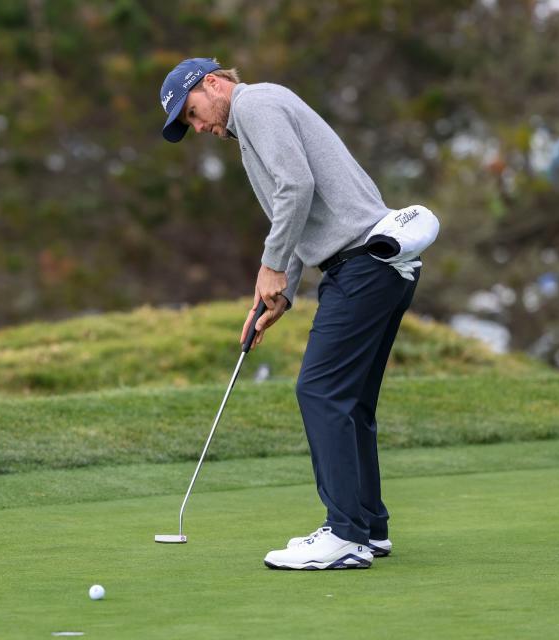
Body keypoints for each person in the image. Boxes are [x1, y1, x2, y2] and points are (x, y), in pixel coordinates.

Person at [159, 57, 422, 570]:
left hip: (364, 266)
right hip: (378, 269)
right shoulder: (264, 110)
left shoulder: (254, 104)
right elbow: (301, 213)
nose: (201, 128)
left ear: (212, 84)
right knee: (350, 403)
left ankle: (345, 534)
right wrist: (280, 294)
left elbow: (295, 188)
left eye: (193, 113)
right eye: (190, 125)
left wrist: (270, 266)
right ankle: (367, 526)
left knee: (319, 391)